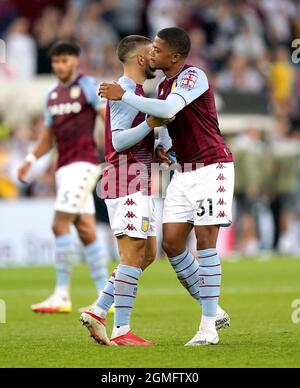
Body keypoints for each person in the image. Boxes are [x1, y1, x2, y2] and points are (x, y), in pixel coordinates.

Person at [99, 27, 234, 346]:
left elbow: (170, 111)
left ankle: (208, 325)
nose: (152, 54)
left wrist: (126, 96)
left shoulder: (193, 76)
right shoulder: (161, 87)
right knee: (171, 244)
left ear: (174, 56)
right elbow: (169, 123)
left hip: (211, 166)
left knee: (205, 241)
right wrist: (165, 148)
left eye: (157, 50)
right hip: (182, 171)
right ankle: (213, 311)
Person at [80, 35, 172, 346]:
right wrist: (149, 124)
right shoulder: (124, 92)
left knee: (146, 254)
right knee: (132, 255)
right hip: (126, 177)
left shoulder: (135, 92)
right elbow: (118, 141)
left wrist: (156, 146)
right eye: (152, 52)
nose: (157, 57)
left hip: (139, 177)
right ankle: (122, 330)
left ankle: (98, 309)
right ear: (140, 59)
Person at [18, 41, 109, 313]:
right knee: (86, 230)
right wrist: (31, 160)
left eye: (65, 61)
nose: (60, 66)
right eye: (56, 61)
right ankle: (106, 295)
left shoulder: (88, 86)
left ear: (75, 61)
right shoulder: (51, 94)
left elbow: (105, 117)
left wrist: (117, 150)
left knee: (59, 225)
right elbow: (48, 136)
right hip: (64, 167)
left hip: (84, 164)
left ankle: (61, 295)